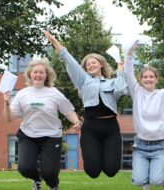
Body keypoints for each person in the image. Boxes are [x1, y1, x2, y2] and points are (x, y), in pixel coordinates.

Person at [44, 31, 128, 179]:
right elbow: (69, 60)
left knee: (111, 170)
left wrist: (121, 70)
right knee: (93, 172)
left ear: (101, 64)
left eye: (93, 62)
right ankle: (95, 157)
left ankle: (107, 157)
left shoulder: (112, 82)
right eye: (88, 64)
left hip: (111, 128)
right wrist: (54, 42)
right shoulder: (83, 81)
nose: (90, 65)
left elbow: (121, 89)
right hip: (91, 128)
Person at [2, 58, 81, 190]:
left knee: (50, 172)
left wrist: (76, 121)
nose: (38, 75)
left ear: (47, 75)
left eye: (41, 72)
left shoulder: (54, 92)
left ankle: (53, 185)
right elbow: (9, 118)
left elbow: (68, 110)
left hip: (51, 137)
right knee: (25, 168)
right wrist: (6, 103)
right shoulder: (22, 93)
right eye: (35, 72)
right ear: (30, 75)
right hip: (28, 135)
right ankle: (36, 179)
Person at [124, 40, 164, 190]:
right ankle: (144, 179)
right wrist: (130, 55)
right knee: (138, 181)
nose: (148, 79)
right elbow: (128, 74)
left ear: (156, 79)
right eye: (145, 77)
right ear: (141, 79)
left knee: (157, 180)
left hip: (159, 145)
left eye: (151, 77)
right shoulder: (137, 92)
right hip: (140, 145)